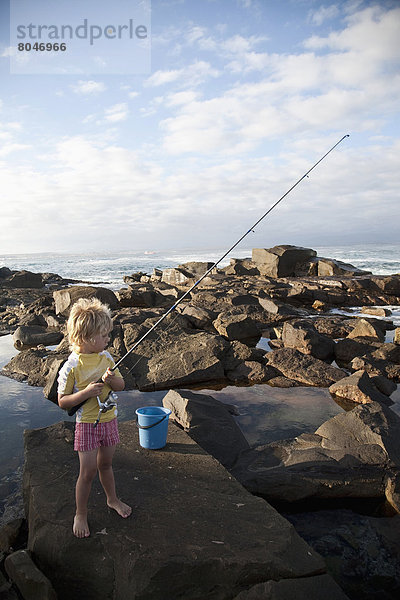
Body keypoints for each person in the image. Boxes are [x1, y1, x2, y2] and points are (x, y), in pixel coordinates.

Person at [58, 297, 131, 538]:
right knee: (87, 472)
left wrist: (111, 380)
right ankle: (81, 512)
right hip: (87, 425)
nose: (108, 339)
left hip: (109, 419)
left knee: (106, 464)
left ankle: (112, 499)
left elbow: (120, 385)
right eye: (104, 335)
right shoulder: (72, 366)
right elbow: (63, 401)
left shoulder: (107, 358)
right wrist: (86, 393)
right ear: (89, 338)